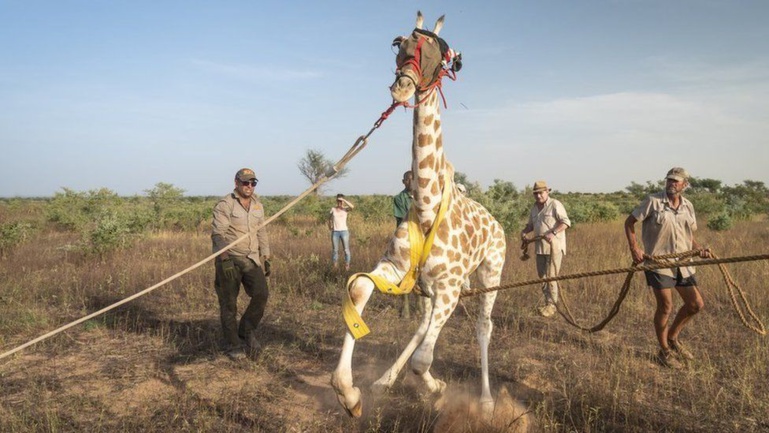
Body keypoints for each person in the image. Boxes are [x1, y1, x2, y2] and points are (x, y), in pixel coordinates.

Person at [624, 167, 711, 369]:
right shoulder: (653, 201)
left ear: (685, 185)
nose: (671, 183)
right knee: (666, 306)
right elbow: (629, 223)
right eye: (669, 180)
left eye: (676, 181)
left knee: (696, 304)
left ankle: (673, 337)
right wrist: (634, 248)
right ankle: (664, 351)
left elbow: (689, 236)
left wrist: (699, 250)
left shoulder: (688, 206)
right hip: (658, 264)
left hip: (683, 264)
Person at [211, 168, 272, 361]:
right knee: (229, 304)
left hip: (251, 258)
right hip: (230, 260)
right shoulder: (225, 205)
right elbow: (218, 234)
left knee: (261, 294)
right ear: (236, 182)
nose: (249, 186)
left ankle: (246, 330)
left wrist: (266, 255)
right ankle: (233, 344)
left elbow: (261, 231)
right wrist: (225, 259)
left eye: (253, 183)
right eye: (245, 182)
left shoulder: (257, 205)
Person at [520, 180, 571, 318]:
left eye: (541, 193)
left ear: (547, 192)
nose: (538, 196)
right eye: (536, 193)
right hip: (540, 248)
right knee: (542, 277)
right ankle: (547, 302)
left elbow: (566, 222)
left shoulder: (555, 204)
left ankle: (552, 306)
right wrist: (525, 232)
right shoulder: (534, 208)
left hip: (554, 248)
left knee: (551, 277)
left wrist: (553, 233)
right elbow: (531, 225)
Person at [329, 193, 354, 271]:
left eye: (341, 200)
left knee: (346, 250)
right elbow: (329, 218)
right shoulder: (333, 209)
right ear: (336, 200)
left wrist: (344, 200)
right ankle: (335, 266)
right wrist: (330, 226)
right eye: (338, 200)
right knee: (335, 250)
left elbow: (352, 207)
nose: (339, 202)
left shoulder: (345, 209)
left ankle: (347, 266)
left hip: (344, 232)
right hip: (335, 232)